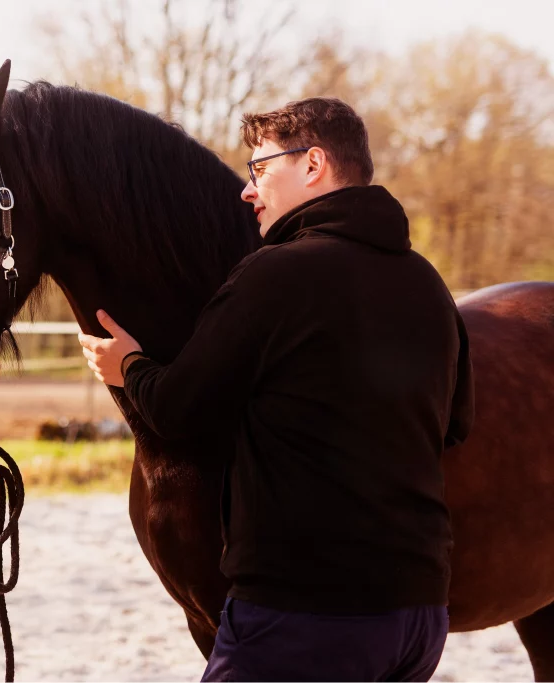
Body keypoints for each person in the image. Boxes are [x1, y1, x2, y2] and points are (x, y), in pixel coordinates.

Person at [78, 98, 474, 682]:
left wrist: (129, 366)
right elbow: (456, 421)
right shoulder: (426, 282)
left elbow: (176, 408)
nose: (247, 190)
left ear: (313, 164)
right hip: (419, 615)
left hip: (306, 612)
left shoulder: (275, 274)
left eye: (260, 169)